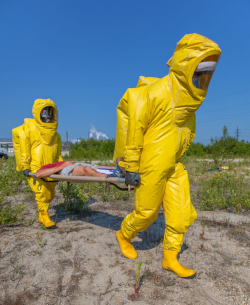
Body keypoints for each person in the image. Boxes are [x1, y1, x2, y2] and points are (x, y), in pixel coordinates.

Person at [113, 34, 221, 279]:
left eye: (207, 73)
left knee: (182, 212)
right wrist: (131, 166)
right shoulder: (154, 93)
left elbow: (183, 137)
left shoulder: (190, 107)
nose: (203, 79)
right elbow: (135, 130)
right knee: (147, 213)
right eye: (200, 71)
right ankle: (123, 235)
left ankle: (170, 258)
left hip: (173, 165)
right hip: (150, 165)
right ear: (185, 64)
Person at [13, 99, 63, 228]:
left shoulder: (56, 135)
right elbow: (24, 148)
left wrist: (62, 166)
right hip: (35, 169)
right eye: (44, 113)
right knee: (42, 192)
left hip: (51, 169)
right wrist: (25, 166)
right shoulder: (29, 130)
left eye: (50, 113)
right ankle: (45, 215)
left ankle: (41, 215)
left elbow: (57, 154)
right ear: (38, 113)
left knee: (50, 194)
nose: (47, 116)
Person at [36, 160, 124, 178]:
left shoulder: (58, 159)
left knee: (112, 168)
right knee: (88, 169)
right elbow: (38, 174)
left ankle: (125, 172)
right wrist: (61, 166)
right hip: (66, 170)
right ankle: (110, 177)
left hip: (76, 164)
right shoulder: (47, 166)